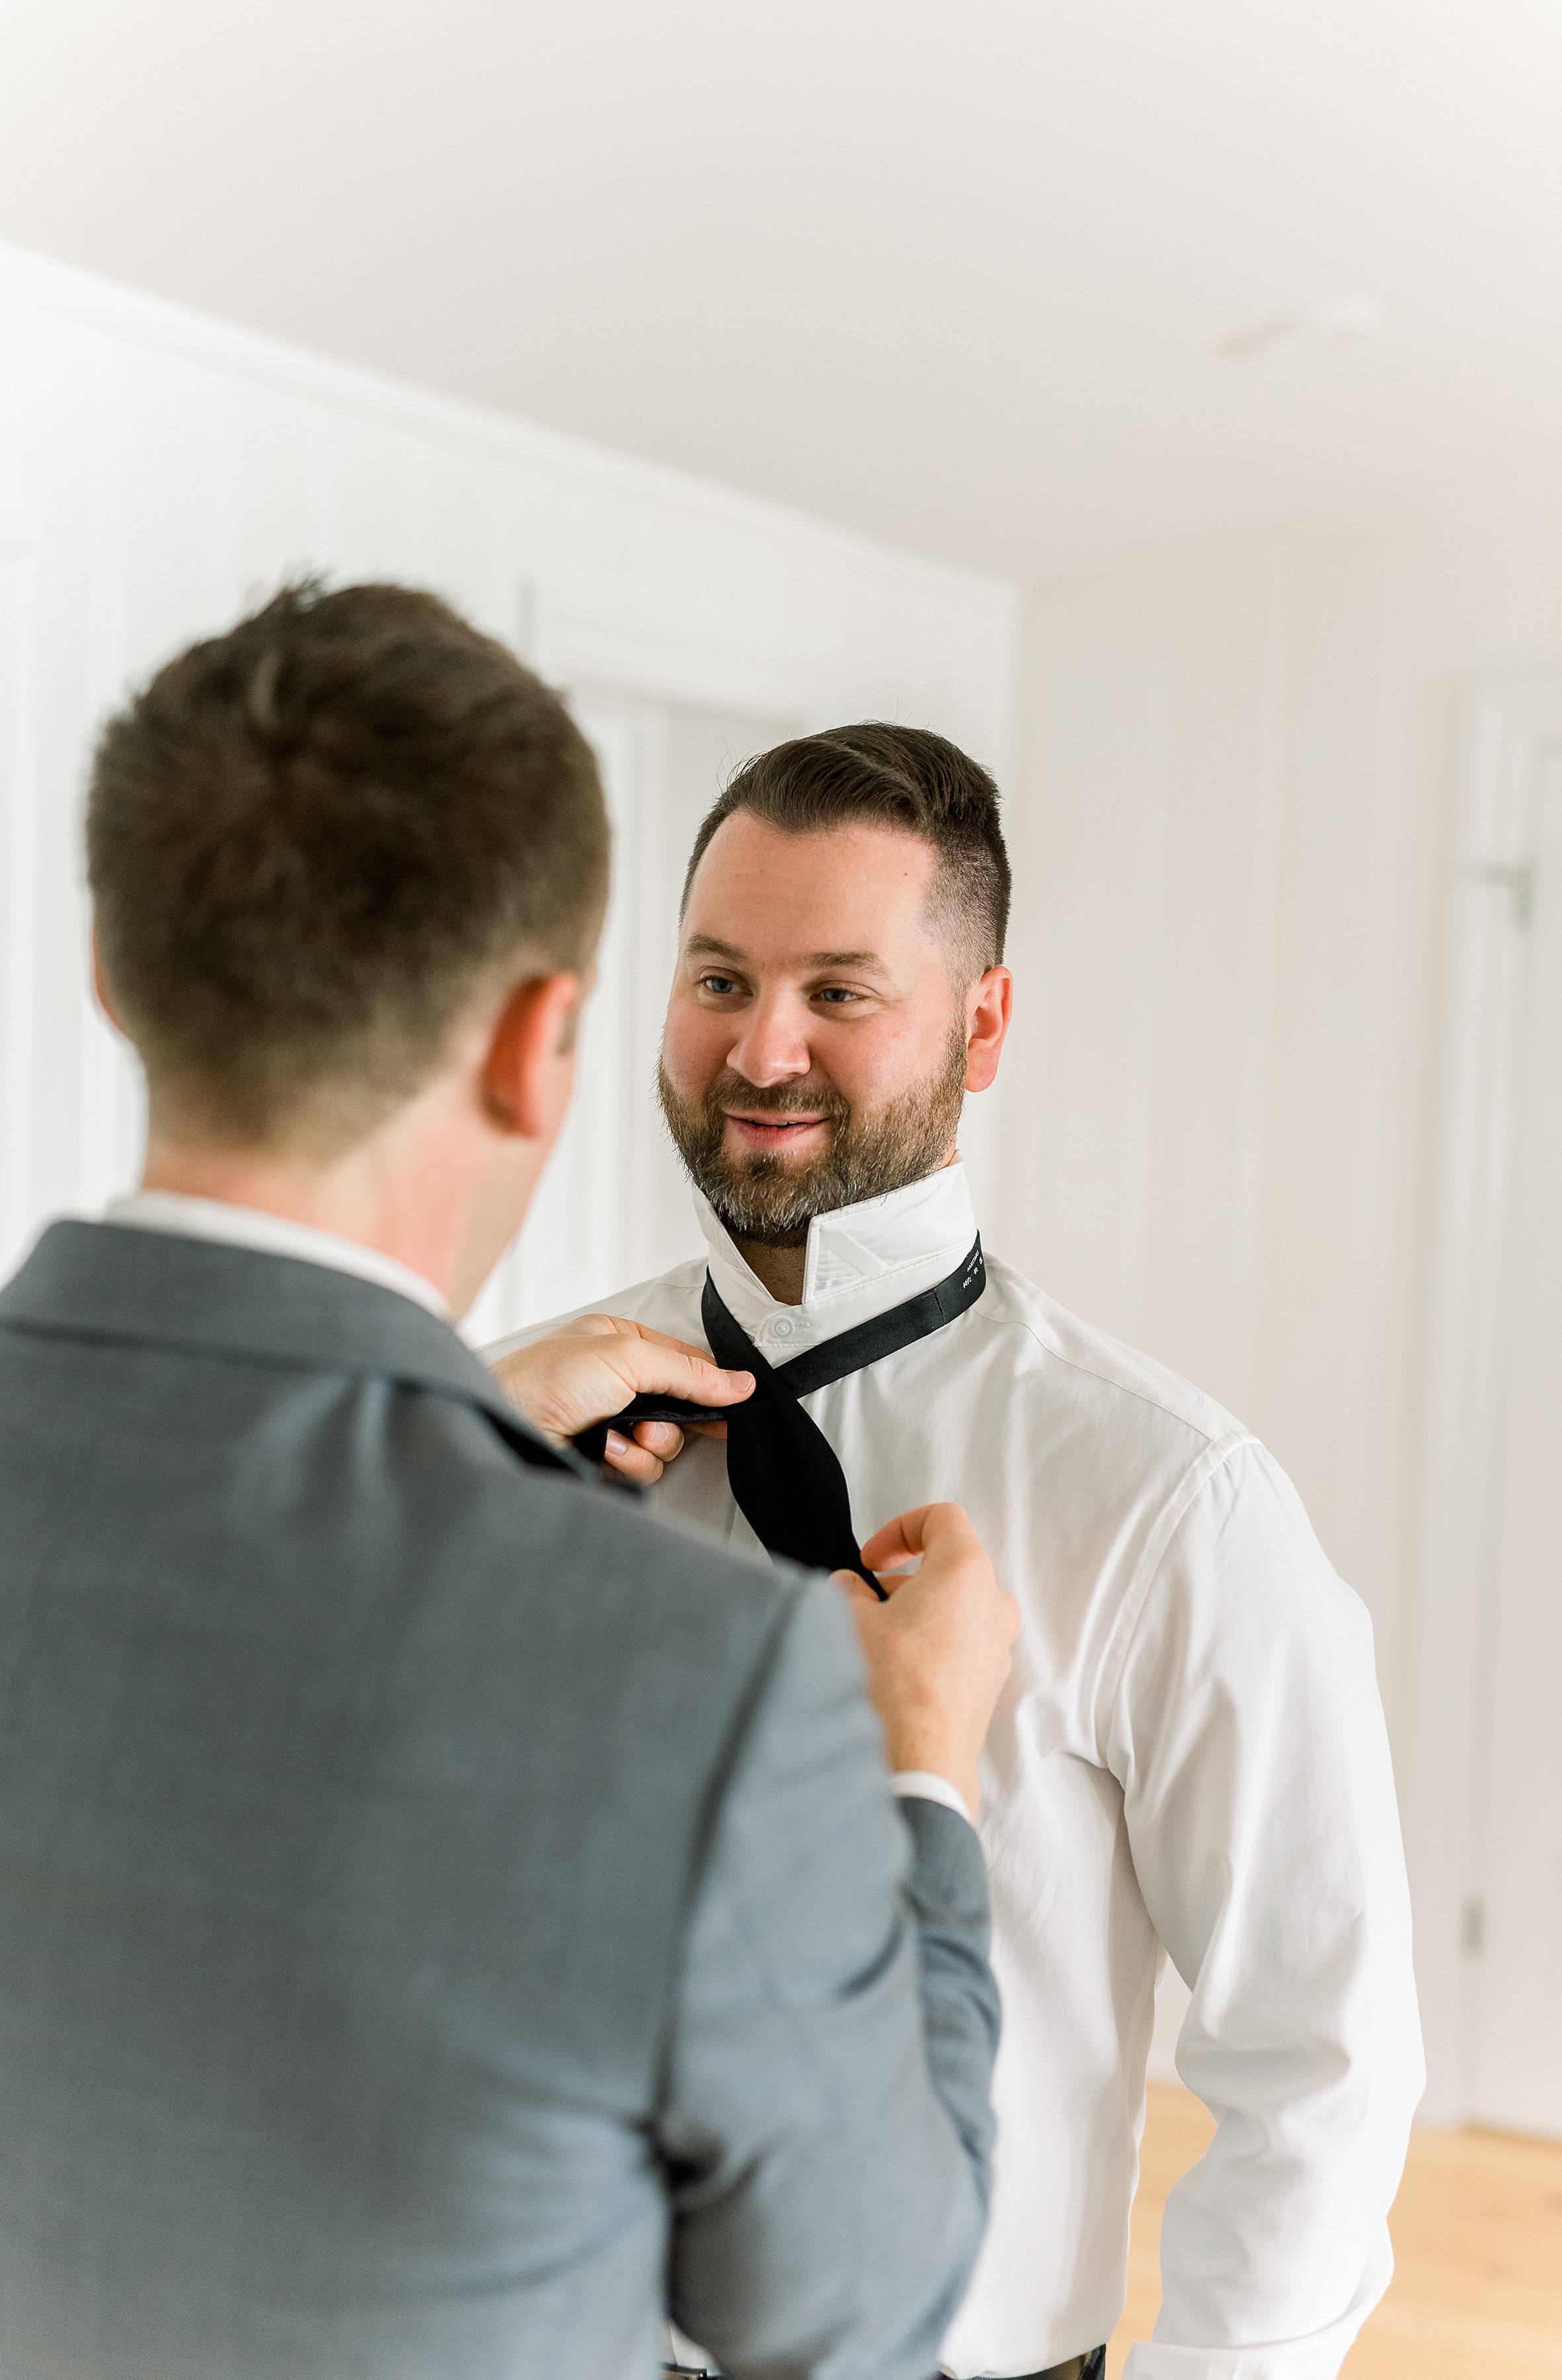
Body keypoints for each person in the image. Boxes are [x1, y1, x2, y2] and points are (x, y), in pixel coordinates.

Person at [0, 587, 1022, 2380]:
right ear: (540, 1039)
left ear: (109, 968)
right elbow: (860, 2304)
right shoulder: (696, 1681)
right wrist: (926, 1780)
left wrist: (442, 1416)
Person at [490, 725, 1426, 2380]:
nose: (759, 1048)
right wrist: (455, 1471)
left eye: (840, 991)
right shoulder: (526, 1421)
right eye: (718, 978)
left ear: (981, 1025)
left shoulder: (1170, 1499)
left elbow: (1322, 2056)